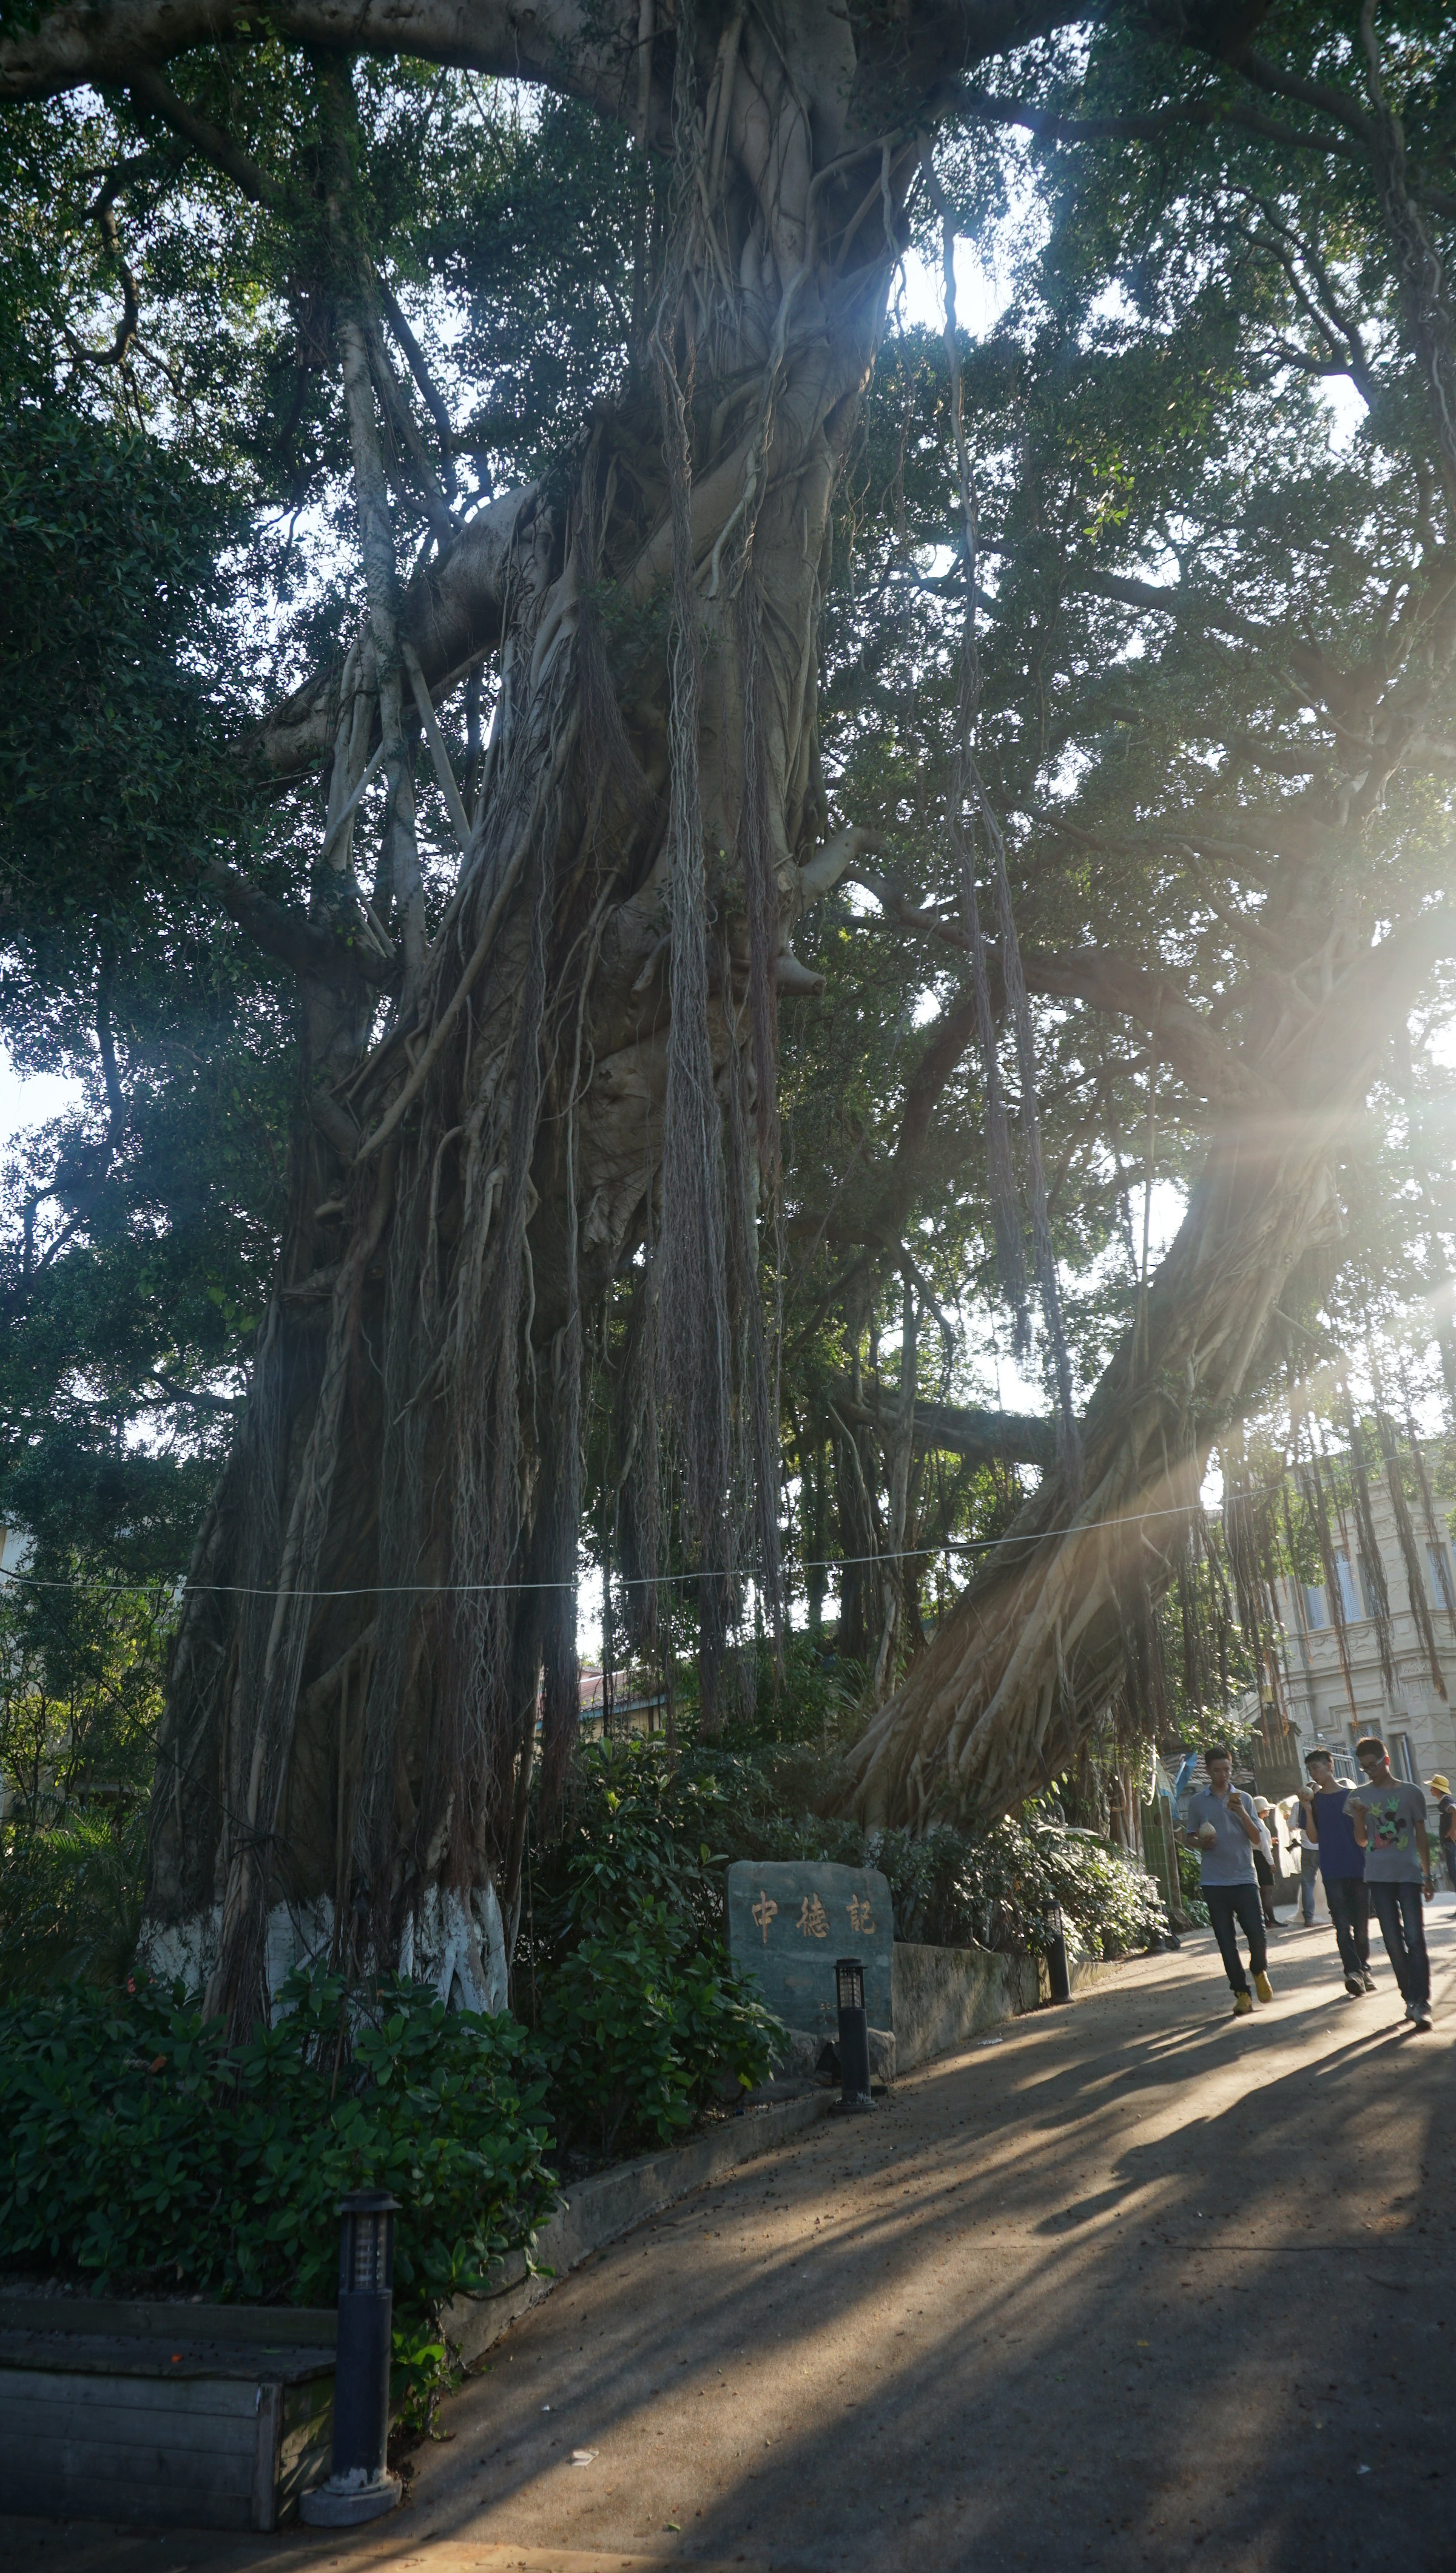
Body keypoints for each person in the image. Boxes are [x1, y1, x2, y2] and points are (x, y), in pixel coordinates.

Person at [1346, 1736, 1436, 2031]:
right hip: (1378, 1877)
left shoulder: (1411, 1793)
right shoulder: (1358, 1797)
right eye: (1364, 1767)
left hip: (1408, 1875)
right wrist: (1359, 1816)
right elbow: (1362, 1841)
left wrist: (1427, 1874)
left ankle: (1422, 2002)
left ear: (1386, 1760)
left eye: (1372, 1765)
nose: (1369, 1771)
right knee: (1393, 1941)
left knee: (1415, 1938)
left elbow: (1421, 1835)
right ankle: (1409, 1997)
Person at [1178, 1748, 1272, 2016]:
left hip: (1244, 1877)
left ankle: (1258, 1970)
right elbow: (1190, 1837)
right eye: (1217, 1770)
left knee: (1257, 1933)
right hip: (1214, 1881)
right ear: (1208, 1771)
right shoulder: (1198, 1802)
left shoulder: (1245, 1799)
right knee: (1226, 1940)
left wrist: (1242, 1812)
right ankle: (1241, 1993)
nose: (1223, 1775)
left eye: (1227, 1770)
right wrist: (1201, 1843)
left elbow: (1257, 1838)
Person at [1298, 1746, 1373, 2000]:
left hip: (1358, 1868)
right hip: (1331, 1871)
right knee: (1341, 1925)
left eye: (1316, 1767)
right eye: (1310, 1770)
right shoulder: (1313, 1802)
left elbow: (1365, 1835)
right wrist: (1308, 1809)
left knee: (1361, 1926)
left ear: (1330, 1766)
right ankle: (1352, 1973)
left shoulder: (1352, 1796)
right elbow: (1313, 1838)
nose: (1313, 1773)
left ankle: (1364, 1969)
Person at [1289, 1781, 1321, 1929]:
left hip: (1308, 1848)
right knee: (1330, 1881)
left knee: (1308, 1883)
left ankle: (1308, 1918)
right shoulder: (1322, 1803)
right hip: (1324, 1847)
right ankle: (1335, 1915)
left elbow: (1291, 1826)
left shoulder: (1298, 1805)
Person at [1251, 1797, 1280, 1928]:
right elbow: (1264, 1847)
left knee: (1262, 1891)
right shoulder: (1259, 1824)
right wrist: (1271, 1863)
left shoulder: (1254, 1822)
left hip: (1255, 1856)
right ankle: (1271, 1919)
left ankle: (1266, 1919)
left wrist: (1270, 1842)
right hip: (1262, 1858)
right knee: (1267, 1891)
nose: (1268, 1811)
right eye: (1266, 1809)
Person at [1430, 1773, 1456, 1896]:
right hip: (1448, 1842)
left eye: (1432, 1787)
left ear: (1438, 1789)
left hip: (1450, 1842)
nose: (1431, 1790)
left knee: (1453, 1871)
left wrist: (1452, 1830)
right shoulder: (1443, 1802)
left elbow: (1455, 1811)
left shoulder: (1446, 1801)